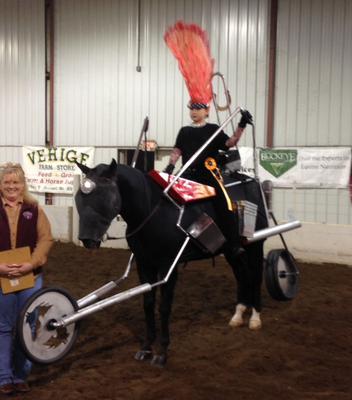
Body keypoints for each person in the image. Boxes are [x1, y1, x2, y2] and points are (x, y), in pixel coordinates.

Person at [164, 103, 253, 257]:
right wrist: (170, 167)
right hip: (187, 175)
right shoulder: (184, 131)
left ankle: (233, 244)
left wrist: (241, 125)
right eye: (192, 109)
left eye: (198, 109)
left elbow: (230, 143)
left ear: (206, 111)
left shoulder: (213, 129)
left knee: (225, 205)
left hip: (208, 175)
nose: (194, 112)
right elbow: (177, 150)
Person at [0, 162, 53, 395]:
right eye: (7, 182)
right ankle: (4, 377)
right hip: (1, 277)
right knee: (3, 328)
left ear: (23, 185)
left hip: (30, 277)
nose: (12, 186)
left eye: (16, 182)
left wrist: (31, 263)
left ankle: (21, 375)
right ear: (1, 185)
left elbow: (45, 240)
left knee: (27, 326)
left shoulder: (35, 208)